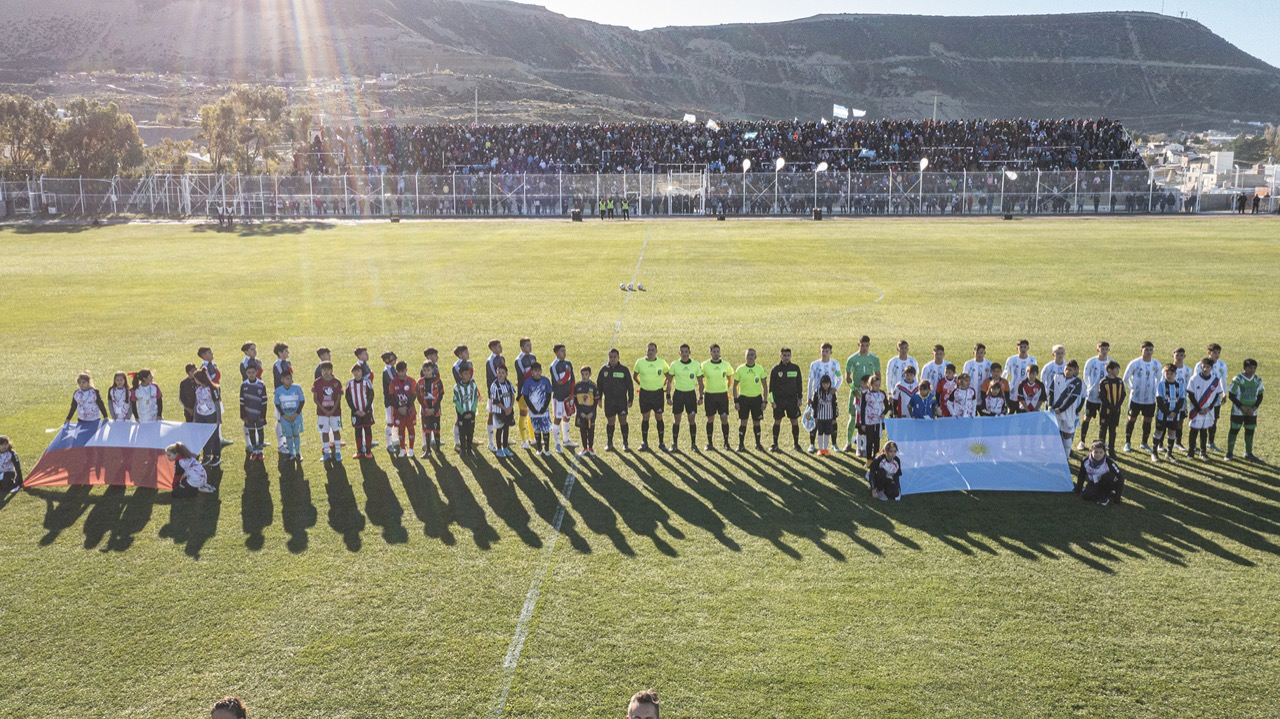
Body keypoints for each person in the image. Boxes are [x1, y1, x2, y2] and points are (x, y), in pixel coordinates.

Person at [665, 343, 705, 452]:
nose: (684, 354)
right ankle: (674, 444)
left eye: (686, 351)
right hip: (678, 395)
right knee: (676, 420)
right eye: (682, 352)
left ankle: (693, 444)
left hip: (690, 395)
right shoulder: (674, 365)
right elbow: (669, 382)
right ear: (679, 353)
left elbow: (701, 383)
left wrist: (701, 397)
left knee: (691, 419)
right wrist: (668, 396)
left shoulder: (696, 364)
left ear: (689, 352)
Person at [1123, 341, 1161, 453]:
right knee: (1132, 419)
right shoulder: (1135, 363)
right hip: (1136, 398)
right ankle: (1127, 442)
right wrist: (1133, 388)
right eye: (1146, 349)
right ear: (1141, 350)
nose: (1149, 352)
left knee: (1148, 420)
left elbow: (1159, 380)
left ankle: (1144, 443)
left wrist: (1155, 391)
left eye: (1151, 350)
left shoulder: (1156, 364)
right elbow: (1125, 378)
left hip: (1150, 399)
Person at [842, 337, 878, 453]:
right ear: (858, 344)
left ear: (869, 345)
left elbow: (878, 375)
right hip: (856, 393)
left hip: (869, 393)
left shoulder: (874, 359)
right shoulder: (852, 359)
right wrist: (853, 388)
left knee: (870, 418)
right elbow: (847, 376)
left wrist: (874, 389)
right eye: (862, 345)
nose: (864, 348)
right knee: (853, 417)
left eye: (866, 345)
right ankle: (848, 442)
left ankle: (868, 443)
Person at [633, 343, 670, 451]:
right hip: (645, 393)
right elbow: (635, 376)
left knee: (659, 417)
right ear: (646, 351)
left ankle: (661, 442)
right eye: (649, 350)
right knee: (645, 417)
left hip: (658, 394)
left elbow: (668, 376)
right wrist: (642, 384)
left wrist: (663, 383)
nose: (650, 352)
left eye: (653, 350)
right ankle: (644, 442)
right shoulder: (640, 362)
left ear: (656, 351)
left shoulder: (662, 363)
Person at [807, 342, 842, 453]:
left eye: (827, 351)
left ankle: (834, 444)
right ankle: (812, 444)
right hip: (817, 396)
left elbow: (840, 378)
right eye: (823, 351)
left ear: (830, 352)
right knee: (815, 418)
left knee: (832, 419)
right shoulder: (814, 364)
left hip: (830, 396)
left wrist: (835, 388)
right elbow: (810, 381)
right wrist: (809, 396)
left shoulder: (835, 364)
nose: (824, 353)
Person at [1226, 358, 1264, 462]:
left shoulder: (1257, 380)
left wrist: (1253, 408)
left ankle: (1248, 453)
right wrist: (1243, 407)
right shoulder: (1237, 379)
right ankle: (1229, 453)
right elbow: (1232, 396)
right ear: (1245, 368)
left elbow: (1260, 396)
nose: (1253, 370)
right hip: (1238, 411)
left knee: (1250, 431)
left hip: (1252, 412)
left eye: (1254, 368)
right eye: (1251, 367)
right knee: (1234, 430)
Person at [597, 349, 634, 451]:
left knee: (623, 421)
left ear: (618, 357)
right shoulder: (604, 370)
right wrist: (599, 398)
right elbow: (599, 386)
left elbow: (630, 385)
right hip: (609, 401)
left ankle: (625, 443)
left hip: (621, 401)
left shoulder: (624, 370)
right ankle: (609, 443)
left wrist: (630, 399)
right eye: (611, 357)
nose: (612, 359)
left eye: (614, 357)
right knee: (610, 422)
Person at [1185, 357, 1222, 461]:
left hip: (1208, 411)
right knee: (1194, 431)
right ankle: (1191, 452)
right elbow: (1191, 395)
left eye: (1208, 367)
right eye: (1203, 366)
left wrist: (1209, 408)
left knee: (1204, 431)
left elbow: (1216, 396)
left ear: (1212, 368)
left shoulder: (1215, 381)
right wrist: (1198, 408)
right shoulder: (1194, 378)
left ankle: (1203, 452)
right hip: (1196, 411)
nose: (1205, 368)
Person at [732, 348, 769, 451]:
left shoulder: (760, 369)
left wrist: (764, 401)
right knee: (743, 422)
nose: (750, 356)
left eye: (752, 354)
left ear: (755, 356)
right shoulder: (740, 369)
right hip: (743, 399)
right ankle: (740, 444)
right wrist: (736, 401)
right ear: (745, 356)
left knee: (757, 422)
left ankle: (758, 444)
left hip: (756, 399)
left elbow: (765, 386)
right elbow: (734, 386)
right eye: (748, 354)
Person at [768, 347, 804, 452]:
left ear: (791, 356)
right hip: (779, 400)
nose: (786, 357)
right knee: (777, 421)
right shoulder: (775, 370)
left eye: (788, 355)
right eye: (784, 355)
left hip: (792, 400)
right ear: (780, 356)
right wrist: (772, 401)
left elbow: (799, 384)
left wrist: (800, 398)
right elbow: (771, 388)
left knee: (794, 420)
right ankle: (775, 443)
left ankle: (796, 444)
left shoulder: (795, 368)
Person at [701, 344, 735, 450]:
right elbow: (700, 378)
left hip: (722, 395)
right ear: (710, 352)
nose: (716, 353)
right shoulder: (704, 365)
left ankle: (726, 443)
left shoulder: (726, 364)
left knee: (724, 418)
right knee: (710, 419)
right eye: (714, 351)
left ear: (720, 352)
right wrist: (704, 388)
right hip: (709, 395)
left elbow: (730, 378)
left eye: (717, 351)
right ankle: (710, 443)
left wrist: (726, 387)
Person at [1079, 341, 1112, 449]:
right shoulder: (1091, 362)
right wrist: (1089, 386)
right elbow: (1085, 374)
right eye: (1102, 349)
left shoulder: (1111, 362)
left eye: (1106, 349)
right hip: (1092, 396)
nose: (1104, 351)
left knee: (1104, 419)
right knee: (1087, 417)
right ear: (1098, 350)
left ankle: (1102, 441)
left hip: (1105, 397)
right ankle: (1082, 441)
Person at [1152, 363, 1187, 462]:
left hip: (1175, 415)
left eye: (1171, 373)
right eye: (1167, 373)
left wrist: (1175, 412)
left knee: (1172, 432)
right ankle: (1154, 453)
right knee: (1159, 432)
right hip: (1162, 414)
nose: (1169, 375)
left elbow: (1181, 400)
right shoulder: (1161, 384)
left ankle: (1169, 454)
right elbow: (1159, 400)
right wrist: (1167, 412)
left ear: (1175, 374)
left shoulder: (1179, 385)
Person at [312, 361, 344, 462]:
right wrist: (324, 410)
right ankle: (326, 452)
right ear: (321, 370)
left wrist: (332, 410)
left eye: (328, 370)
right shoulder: (317, 382)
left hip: (335, 412)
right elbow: (315, 398)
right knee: (324, 432)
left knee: (336, 431)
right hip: (322, 413)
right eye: (324, 370)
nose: (326, 372)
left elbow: (339, 398)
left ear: (331, 370)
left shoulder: (336, 382)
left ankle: (338, 452)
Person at [198, 346, 230, 447]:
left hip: (216, 393)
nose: (212, 354)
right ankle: (215, 439)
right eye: (209, 353)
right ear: (203, 355)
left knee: (219, 415)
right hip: (210, 395)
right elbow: (208, 380)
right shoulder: (204, 367)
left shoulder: (213, 365)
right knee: (214, 416)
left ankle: (219, 437)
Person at [1050, 360, 1084, 455]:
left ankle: (1066, 456)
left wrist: (1061, 409)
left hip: (1069, 412)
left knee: (1067, 434)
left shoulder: (1078, 382)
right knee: (1055, 434)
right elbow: (1051, 392)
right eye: (1066, 369)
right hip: (1055, 412)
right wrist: (1049, 405)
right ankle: (1055, 455)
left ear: (1074, 371)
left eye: (1070, 370)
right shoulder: (1057, 377)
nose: (1067, 371)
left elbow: (1072, 399)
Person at [1075, 440, 1123, 506]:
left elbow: (1120, 477)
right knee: (1085, 495)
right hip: (1094, 482)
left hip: (1108, 482)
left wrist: (1117, 498)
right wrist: (1078, 488)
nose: (1098, 455)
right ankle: (1108, 494)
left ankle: (1105, 496)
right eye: (1096, 452)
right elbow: (1081, 475)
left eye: (1101, 452)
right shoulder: (1085, 461)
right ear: (1091, 451)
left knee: (1108, 476)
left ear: (1104, 453)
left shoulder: (1109, 462)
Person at [548, 344, 578, 452]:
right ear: (556, 353)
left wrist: (572, 394)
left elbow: (572, 380)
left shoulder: (568, 363)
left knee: (567, 417)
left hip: (568, 397)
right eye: (561, 351)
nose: (564, 353)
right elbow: (559, 382)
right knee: (557, 418)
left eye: (565, 351)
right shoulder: (554, 366)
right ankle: (557, 444)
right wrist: (567, 373)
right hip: (559, 398)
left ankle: (566, 440)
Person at [521, 362, 554, 456]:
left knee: (546, 428)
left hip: (543, 408)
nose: (537, 373)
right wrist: (532, 408)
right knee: (537, 429)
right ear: (531, 372)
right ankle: (539, 448)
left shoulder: (546, 381)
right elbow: (526, 396)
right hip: (533, 409)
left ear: (541, 370)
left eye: (539, 370)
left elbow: (548, 395)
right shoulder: (528, 382)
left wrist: (545, 407)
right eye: (535, 371)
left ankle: (547, 448)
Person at [274, 370, 306, 462]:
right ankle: (291, 453)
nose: (290, 380)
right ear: (282, 380)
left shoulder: (297, 388)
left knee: (296, 434)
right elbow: (277, 404)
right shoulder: (278, 391)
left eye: (290, 378)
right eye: (287, 379)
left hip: (296, 417)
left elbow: (302, 401)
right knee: (288, 435)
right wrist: (284, 416)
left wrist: (296, 414)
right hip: (285, 418)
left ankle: (298, 453)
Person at [192, 367, 222, 466]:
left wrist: (218, 418)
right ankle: (207, 455)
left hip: (211, 415)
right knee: (204, 436)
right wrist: (195, 417)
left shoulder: (213, 389)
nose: (195, 381)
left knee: (214, 436)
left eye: (196, 379)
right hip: (201, 415)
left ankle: (216, 455)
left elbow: (217, 403)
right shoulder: (198, 389)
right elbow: (197, 403)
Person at [345, 363, 375, 459]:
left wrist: (366, 410)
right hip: (356, 412)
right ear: (352, 372)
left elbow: (371, 396)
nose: (356, 373)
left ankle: (368, 451)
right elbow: (348, 398)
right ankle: (359, 450)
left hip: (366, 412)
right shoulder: (349, 384)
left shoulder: (367, 382)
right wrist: (355, 410)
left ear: (362, 372)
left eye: (358, 371)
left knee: (367, 430)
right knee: (357, 431)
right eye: (355, 371)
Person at [239, 363, 269, 461]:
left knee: (260, 430)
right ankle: (254, 451)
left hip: (259, 413)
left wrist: (263, 415)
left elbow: (264, 401)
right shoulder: (244, 385)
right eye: (249, 373)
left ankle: (260, 451)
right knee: (251, 431)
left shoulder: (261, 384)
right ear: (246, 373)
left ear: (256, 372)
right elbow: (241, 402)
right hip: (248, 414)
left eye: (253, 372)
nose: (251, 374)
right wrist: (243, 415)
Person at [389, 360, 418, 458]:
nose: (401, 373)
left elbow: (414, 395)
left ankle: (411, 449)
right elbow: (391, 397)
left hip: (409, 410)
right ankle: (402, 449)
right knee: (401, 429)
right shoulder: (393, 382)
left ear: (406, 370)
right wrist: (399, 408)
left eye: (403, 371)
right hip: (399, 411)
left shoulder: (411, 381)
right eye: (399, 371)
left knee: (410, 428)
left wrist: (406, 407)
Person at [1097, 361, 1126, 455]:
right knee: (1103, 430)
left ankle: (1112, 450)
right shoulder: (1104, 382)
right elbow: (1102, 397)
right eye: (1116, 369)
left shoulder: (1120, 381)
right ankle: (1101, 450)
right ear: (1109, 370)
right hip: (1106, 410)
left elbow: (1123, 395)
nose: (1118, 371)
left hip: (1116, 411)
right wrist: (1110, 406)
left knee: (1113, 430)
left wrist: (1117, 406)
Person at [514, 338, 538, 449]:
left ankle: (532, 439)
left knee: (532, 414)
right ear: (522, 347)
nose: (530, 347)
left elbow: (537, 373)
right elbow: (524, 375)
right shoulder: (518, 360)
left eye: (530, 344)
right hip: (524, 392)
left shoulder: (533, 357)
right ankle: (524, 440)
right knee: (523, 414)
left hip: (534, 391)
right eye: (528, 345)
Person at [489, 362, 517, 458]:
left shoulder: (508, 384)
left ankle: (505, 447)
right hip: (499, 411)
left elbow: (512, 395)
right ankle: (499, 449)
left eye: (503, 373)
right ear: (496, 373)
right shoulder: (494, 385)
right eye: (499, 372)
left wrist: (510, 407)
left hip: (508, 410)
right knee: (499, 429)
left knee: (506, 429)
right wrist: (505, 408)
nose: (501, 375)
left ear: (506, 374)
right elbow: (495, 400)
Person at [417, 361, 445, 455]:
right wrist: (426, 408)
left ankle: (438, 450)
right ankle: (428, 450)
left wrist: (435, 408)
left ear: (432, 370)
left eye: (428, 370)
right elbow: (419, 397)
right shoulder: (420, 382)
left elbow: (441, 395)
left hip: (435, 410)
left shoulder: (437, 381)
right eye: (424, 370)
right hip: (425, 411)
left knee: (436, 430)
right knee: (427, 430)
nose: (426, 372)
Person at [453, 362, 480, 455]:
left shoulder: (473, 385)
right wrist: (463, 413)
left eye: (468, 373)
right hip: (462, 414)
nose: (468, 375)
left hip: (471, 413)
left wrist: (472, 411)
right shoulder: (456, 388)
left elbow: (475, 399)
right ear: (460, 375)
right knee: (462, 432)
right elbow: (456, 402)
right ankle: (463, 450)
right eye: (465, 374)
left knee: (470, 431)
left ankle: (469, 448)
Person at [1206, 343, 1229, 452]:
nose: (1217, 355)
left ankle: (1211, 442)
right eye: (1215, 352)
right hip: (1204, 399)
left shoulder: (1222, 365)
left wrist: (1224, 393)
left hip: (1216, 398)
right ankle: (1199, 444)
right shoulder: (1201, 364)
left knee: (1214, 420)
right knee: (1201, 420)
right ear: (1209, 353)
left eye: (1218, 353)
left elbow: (1223, 380)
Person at [858, 375, 888, 457]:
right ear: (870, 385)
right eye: (875, 385)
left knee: (877, 440)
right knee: (869, 440)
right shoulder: (866, 395)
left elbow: (887, 405)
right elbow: (862, 409)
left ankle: (876, 458)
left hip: (878, 421)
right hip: (869, 421)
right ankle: (869, 459)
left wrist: (883, 413)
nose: (877, 387)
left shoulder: (882, 394)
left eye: (879, 385)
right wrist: (863, 423)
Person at [484, 339, 505, 451]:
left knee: (502, 414)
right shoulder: (490, 361)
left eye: (500, 346)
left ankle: (502, 438)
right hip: (494, 393)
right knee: (492, 415)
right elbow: (496, 376)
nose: (500, 348)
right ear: (492, 349)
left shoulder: (502, 358)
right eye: (498, 346)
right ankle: (491, 442)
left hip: (503, 392)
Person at [573, 366, 599, 456]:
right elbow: (575, 401)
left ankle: (591, 448)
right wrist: (580, 412)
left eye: (586, 374)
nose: (584, 376)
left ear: (590, 374)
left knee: (591, 430)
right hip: (582, 413)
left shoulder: (593, 386)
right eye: (583, 374)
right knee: (583, 430)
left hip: (591, 413)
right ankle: (584, 448)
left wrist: (592, 412)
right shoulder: (577, 386)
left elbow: (596, 401)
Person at [273, 343, 294, 453]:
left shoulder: (287, 363)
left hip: (288, 394)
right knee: (280, 419)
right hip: (280, 395)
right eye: (286, 351)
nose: (288, 353)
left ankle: (286, 442)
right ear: (280, 353)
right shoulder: (278, 365)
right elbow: (285, 378)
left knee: (287, 418)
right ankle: (280, 445)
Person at [1004, 340, 1037, 407]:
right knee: (1011, 412)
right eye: (1021, 347)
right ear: (1017, 348)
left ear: (1028, 348)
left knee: (1023, 412)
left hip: (1026, 391)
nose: (1023, 349)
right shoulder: (1011, 360)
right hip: (1013, 390)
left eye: (1025, 347)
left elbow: (1034, 375)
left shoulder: (1032, 360)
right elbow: (1005, 373)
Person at [380, 351, 399, 451]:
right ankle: (388, 444)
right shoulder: (387, 371)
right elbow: (394, 381)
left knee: (395, 420)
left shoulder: (392, 369)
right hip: (390, 400)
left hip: (394, 399)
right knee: (390, 422)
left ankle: (395, 439)